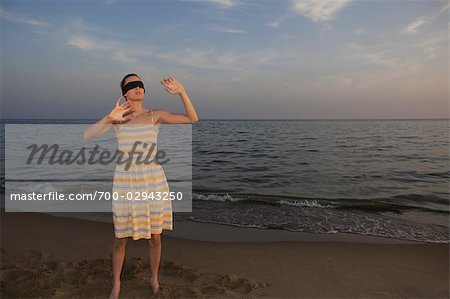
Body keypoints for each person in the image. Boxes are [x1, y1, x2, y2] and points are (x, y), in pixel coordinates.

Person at [84, 74, 198, 299]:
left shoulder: (155, 115)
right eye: (131, 85)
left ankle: (154, 278)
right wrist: (109, 117)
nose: (137, 88)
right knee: (120, 237)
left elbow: (192, 118)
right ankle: (116, 283)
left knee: (155, 237)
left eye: (140, 85)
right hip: (126, 181)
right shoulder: (118, 117)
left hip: (153, 180)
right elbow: (88, 135)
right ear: (124, 93)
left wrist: (182, 92)